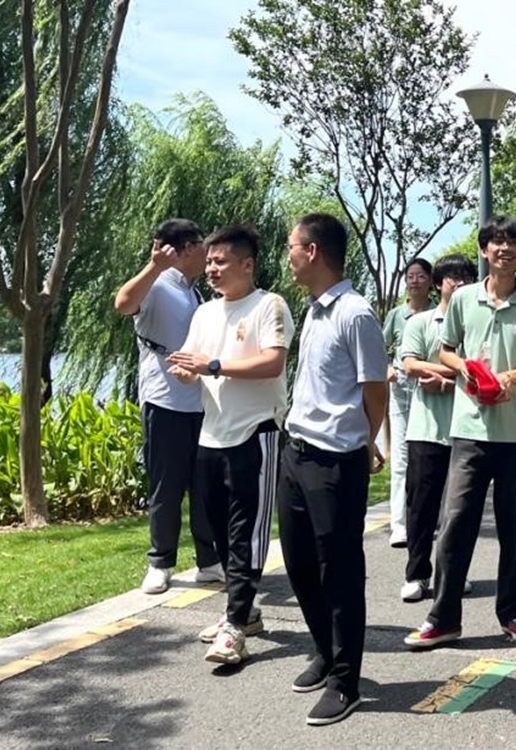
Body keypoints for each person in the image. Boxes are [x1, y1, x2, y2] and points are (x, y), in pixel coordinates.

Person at [404, 214, 516, 649]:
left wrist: (510, 377)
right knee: (455, 523)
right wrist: (466, 370)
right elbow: (446, 350)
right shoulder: (463, 299)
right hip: (469, 430)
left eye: (513, 242)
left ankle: (513, 613)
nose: (504, 249)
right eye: (496, 241)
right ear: (485, 250)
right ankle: (443, 618)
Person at [277, 212, 388, 726]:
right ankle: (324, 650)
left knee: (339, 572)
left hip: (335, 460)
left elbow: (375, 390)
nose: (288, 256)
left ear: (313, 251)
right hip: (296, 453)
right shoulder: (315, 311)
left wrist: (364, 441)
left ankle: (346, 681)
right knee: (299, 564)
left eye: (292, 247)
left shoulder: (355, 314)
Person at [167, 224, 295, 665]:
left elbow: (273, 363)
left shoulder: (269, 306)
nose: (211, 269)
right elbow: (194, 363)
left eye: (220, 262)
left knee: (247, 533)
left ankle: (235, 625)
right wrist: (187, 370)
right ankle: (244, 611)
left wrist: (214, 366)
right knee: (219, 529)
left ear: (248, 264)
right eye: (208, 262)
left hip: (255, 432)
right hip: (211, 433)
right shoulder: (205, 313)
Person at [114, 218, 221, 595]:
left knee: (204, 487)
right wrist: (154, 266)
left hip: (199, 403)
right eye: (204, 247)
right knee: (166, 487)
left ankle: (209, 561)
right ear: (188, 249)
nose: (209, 255)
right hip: (164, 401)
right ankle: (160, 562)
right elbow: (123, 303)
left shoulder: (195, 293)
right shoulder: (158, 285)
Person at [399, 254, 477, 602]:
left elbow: (483, 367)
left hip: (467, 428)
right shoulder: (421, 322)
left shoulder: (476, 324)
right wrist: (459, 372)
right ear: (438, 284)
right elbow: (410, 365)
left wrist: (444, 380)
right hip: (426, 429)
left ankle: (455, 573)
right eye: (451, 278)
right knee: (421, 506)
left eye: (465, 278)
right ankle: (417, 574)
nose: (458, 284)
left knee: (460, 509)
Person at [381, 259, 435, 548]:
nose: (415, 281)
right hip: (402, 390)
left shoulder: (440, 313)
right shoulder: (396, 315)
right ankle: (399, 525)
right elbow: (379, 348)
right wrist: (387, 368)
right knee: (401, 459)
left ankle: (430, 518)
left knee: (429, 458)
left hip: (433, 391)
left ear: (430, 281)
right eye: (410, 276)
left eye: (421, 276)